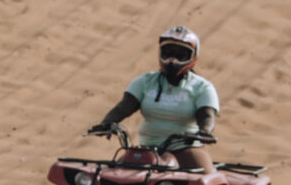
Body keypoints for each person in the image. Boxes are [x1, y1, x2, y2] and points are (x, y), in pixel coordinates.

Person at [91, 26, 220, 169]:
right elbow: (124, 107)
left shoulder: (202, 87)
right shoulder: (145, 81)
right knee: (113, 178)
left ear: (193, 58)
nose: (173, 60)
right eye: (168, 53)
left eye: (181, 55)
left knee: (206, 184)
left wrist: (204, 132)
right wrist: (107, 123)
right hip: (147, 150)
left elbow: (207, 115)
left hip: (185, 149)